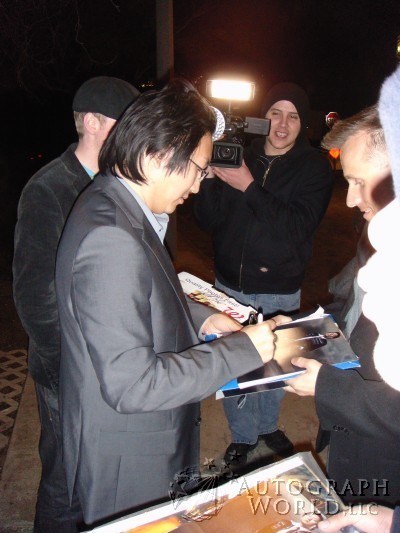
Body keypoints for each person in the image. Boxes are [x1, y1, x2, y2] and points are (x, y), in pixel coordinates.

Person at [54, 79, 286, 526]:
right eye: (197, 170)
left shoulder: (115, 206)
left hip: (136, 444)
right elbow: (132, 385)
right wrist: (242, 350)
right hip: (130, 463)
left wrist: (203, 320)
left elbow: (141, 294)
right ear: (156, 155)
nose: (198, 186)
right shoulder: (111, 238)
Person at [13, 76, 140, 532]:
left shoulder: (119, 184)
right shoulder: (48, 189)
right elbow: (34, 294)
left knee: (99, 473)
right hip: (67, 366)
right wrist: (62, 367)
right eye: (124, 124)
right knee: (65, 481)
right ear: (91, 123)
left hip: (111, 361)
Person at [194, 82, 334, 465]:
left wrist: (249, 187)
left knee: (274, 369)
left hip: (278, 290)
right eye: (275, 113)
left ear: (303, 124)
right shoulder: (240, 154)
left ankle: (268, 426)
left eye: (293, 117)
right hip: (230, 286)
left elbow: (297, 228)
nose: (282, 124)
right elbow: (208, 219)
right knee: (236, 368)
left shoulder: (314, 167)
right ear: (262, 116)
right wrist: (209, 181)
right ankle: (243, 436)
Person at [285, 103, 400, 505]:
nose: (349, 199)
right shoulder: (380, 236)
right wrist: (296, 329)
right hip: (358, 445)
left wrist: (325, 386)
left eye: (357, 181)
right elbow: (356, 314)